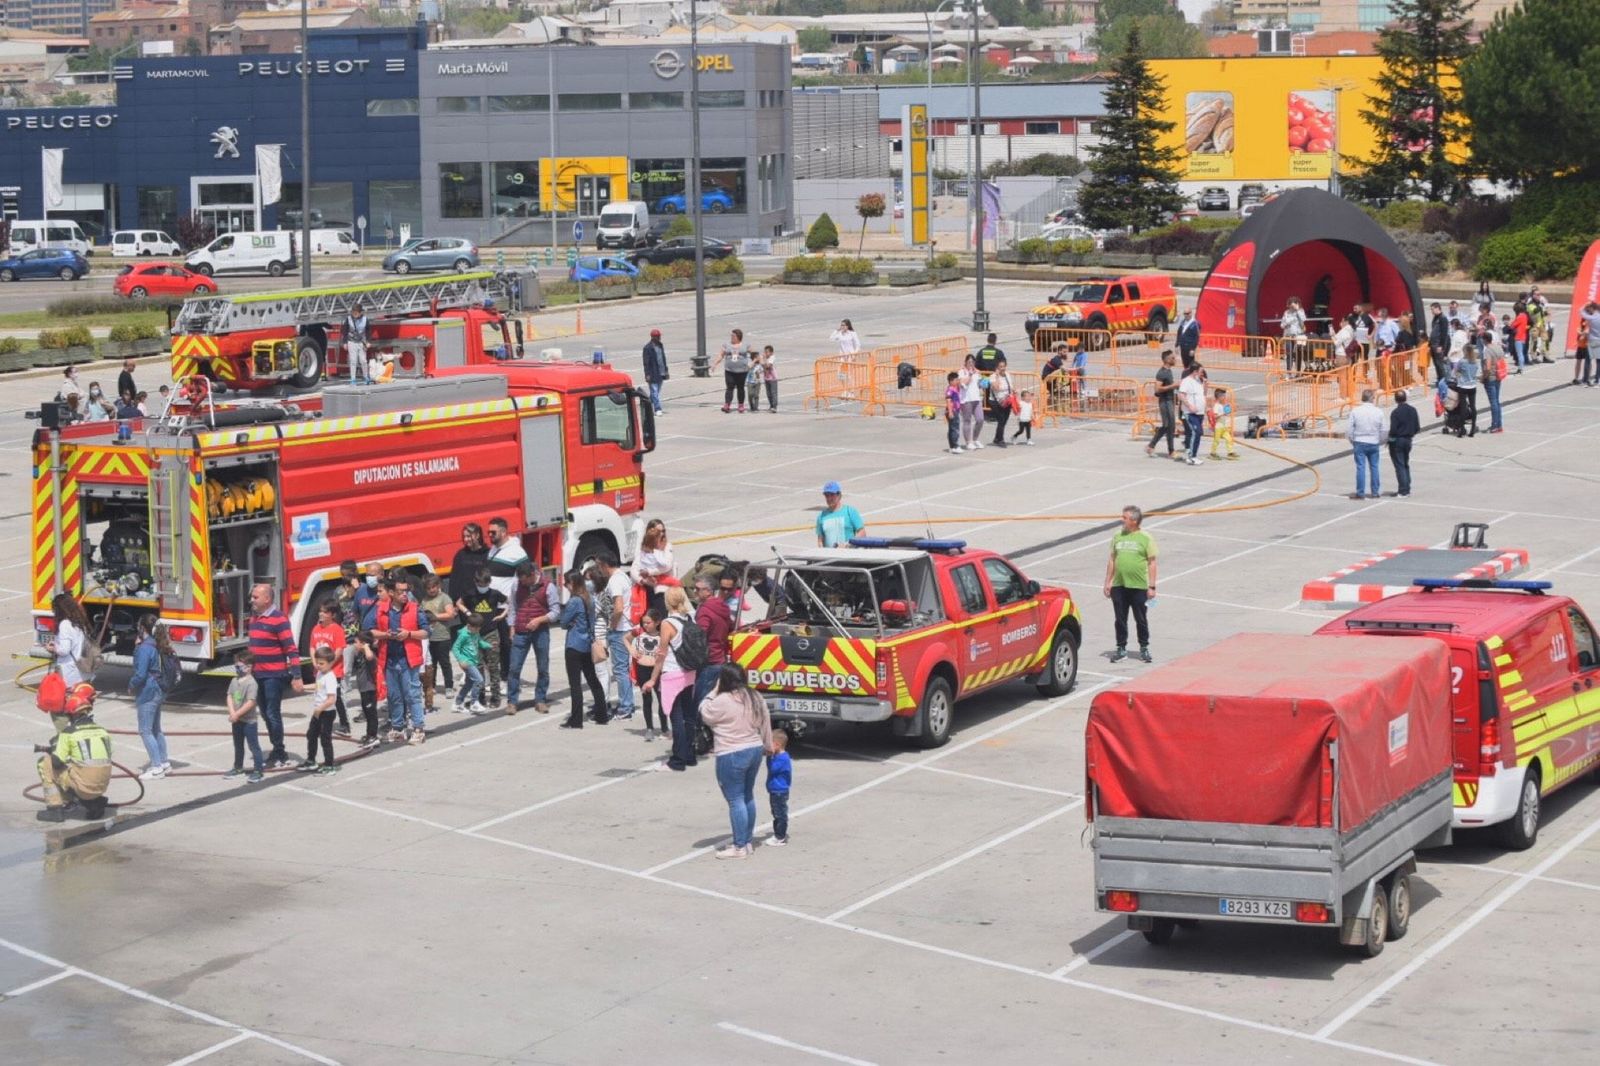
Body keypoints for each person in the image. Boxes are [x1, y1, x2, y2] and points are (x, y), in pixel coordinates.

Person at [700, 664, 775, 859]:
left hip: (731, 752)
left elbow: (704, 712)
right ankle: (747, 841)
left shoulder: (722, 700)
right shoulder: (755, 696)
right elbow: (766, 721)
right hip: (754, 749)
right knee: (747, 795)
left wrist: (714, 691)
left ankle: (740, 846)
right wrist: (768, 744)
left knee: (735, 799)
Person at [33, 686, 112, 823]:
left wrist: (56, 751)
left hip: (83, 787)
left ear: (71, 714)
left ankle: (55, 809)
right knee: (81, 771)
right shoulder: (103, 731)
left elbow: (57, 763)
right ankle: (93, 803)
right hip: (102, 786)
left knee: (45, 763)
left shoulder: (69, 733)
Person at [645, 586, 702, 771]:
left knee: (676, 717)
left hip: (672, 673)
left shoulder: (668, 624)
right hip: (689, 671)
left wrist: (653, 678)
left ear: (667, 602)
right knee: (688, 716)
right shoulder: (689, 618)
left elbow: (661, 654)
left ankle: (677, 759)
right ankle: (690, 755)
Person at [249, 583, 304, 766]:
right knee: (264, 712)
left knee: (272, 713)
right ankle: (276, 747)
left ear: (267, 599)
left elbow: (291, 648)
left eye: (255, 597)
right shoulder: (254, 618)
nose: (252, 600)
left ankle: (279, 751)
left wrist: (297, 675)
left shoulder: (279, 619)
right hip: (258, 675)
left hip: (274, 675)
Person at [374, 575, 429, 745]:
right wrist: (386, 635)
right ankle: (398, 727)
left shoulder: (414, 608)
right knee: (394, 696)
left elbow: (426, 632)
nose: (404, 594)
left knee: (412, 695)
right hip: (389, 659)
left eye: (406, 591)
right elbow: (370, 632)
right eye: (400, 591)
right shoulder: (381, 610)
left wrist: (408, 634)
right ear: (391, 593)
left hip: (408, 660)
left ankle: (418, 728)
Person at [1104, 506, 1157, 664]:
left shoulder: (1146, 538)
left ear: (1134, 521)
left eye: (1125, 517)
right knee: (1120, 619)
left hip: (1139, 586)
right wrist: (1108, 582)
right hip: (1119, 586)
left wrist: (1152, 586)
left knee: (1141, 619)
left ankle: (1144, 648)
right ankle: (1121, 648)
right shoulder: (1117, 536)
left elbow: (1152, 563)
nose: (1122, 519)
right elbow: (1112, 559)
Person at [484, 516, 527, 706]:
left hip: (505, 607)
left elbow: (524, 579)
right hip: (491, 606)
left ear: (503, 531)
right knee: (492, 644)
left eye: (493, 532)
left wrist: (513, 605)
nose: (490, 535)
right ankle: (494, 677)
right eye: (489, 532)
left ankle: (507, 679)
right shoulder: (494, 549)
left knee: (506, 646)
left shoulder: (516, 552)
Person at [558, 569, 609, 728]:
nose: (565, 586)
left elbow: (563, 622)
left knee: (575, 684)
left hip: (574, 645)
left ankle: (576, 719)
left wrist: (571, 622)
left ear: (572, 583)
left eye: (566, 583)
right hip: (587, 644)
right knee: (593, 680)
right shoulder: (589, 598)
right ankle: (602, 714)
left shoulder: (574, 601)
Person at [506, 562, 559, 713]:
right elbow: (513, 608)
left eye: (524, 580)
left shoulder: (548, 587)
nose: (522, 582)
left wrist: (539, 620)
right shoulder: (517, 585)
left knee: (543, 667)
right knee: (514, 668)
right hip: (521, 632)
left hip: (540, 633)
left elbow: (556, 612)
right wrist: (512, 627)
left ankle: (541, 699)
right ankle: (512, 701)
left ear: (532, 575)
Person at [457, 566, 508, 710]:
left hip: (491, 632)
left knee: (493, 666)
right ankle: (479, 697)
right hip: (475, 634)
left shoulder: (495, 594)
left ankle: (495, 696)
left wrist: (503, 615)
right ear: (475, 582)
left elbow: (509, 602)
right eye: (480, 584)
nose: (482, 587)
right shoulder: (470, 593)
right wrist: (467, 613)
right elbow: (459, 603)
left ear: (489, 582)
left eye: (485, 585)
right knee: (477, 666)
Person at [593, 553, 636, 721]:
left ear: (604, 565)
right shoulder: (623, 577)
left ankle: (625, 707)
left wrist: (612, 625)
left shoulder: (615, 581)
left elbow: (618, 608)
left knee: (619, 670)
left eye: (598, 566)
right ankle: (627, 703)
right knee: (623, 669)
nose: (598, 570)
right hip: (625, 627)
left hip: (620, 630)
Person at [129, 614, 172, 780]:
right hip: (159, 690)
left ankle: (156, 767)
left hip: (148, 691)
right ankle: (164, 761)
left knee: (145, 730)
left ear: (142, 629)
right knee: (156, 729)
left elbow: (140, 674)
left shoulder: (145, 648)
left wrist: (131, 686)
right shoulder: (156, 644)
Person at [296, 647, 341, 774]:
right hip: (318, 711)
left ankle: (329, 764)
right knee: (311, 735)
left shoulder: (330, 677)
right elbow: (317, 686)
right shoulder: (320, 674)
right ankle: (311, 760)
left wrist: (319, 709)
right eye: (317, 662)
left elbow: (331, 699)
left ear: (330, 663)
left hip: (326, 712)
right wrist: (303, 687)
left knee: (325, 738)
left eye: (321, 663)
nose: (318, 666)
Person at [692, 575, 734, 708]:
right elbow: (730, 627)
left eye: (698, 589)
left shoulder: (705, 610)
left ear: (709, 591)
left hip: (708, 661)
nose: (695, 591)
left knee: (700, 701)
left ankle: (699, 728)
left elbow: (699, 635)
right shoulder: (722, 606)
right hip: (719, 659)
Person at [223, 651, 265, 783]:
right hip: (237, 720)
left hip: (249, 722)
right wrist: (232, 712)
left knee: (253, 746)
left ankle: (258, 770)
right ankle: (238, 767)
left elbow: (251, 702)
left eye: (239, 666)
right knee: (238, 745)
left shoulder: (251, 683)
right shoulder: (234, 680)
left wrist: (236, 714)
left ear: (249, 667)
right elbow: (229, 695)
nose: (237, 668)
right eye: (236, 666)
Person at [309, 601, 350, 733]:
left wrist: (330, 665)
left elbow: (339, 649)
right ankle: (322, 723)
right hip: (320, 671)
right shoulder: (316, 628)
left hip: (334, 671)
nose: (321, 614)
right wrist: (314, 661)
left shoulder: (337, 629)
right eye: (320, 611)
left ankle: (345, 724)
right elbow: (312, 646)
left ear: (332, 615)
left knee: (336, 698)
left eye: (325, 612)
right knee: (321, 696)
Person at [418, 573, 456, 713]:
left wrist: (434, 617)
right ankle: (431, 686)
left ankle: (449, 687)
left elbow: (451, 614)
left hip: (442, 636)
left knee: (445, 663)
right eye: (429, 588)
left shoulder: (444, 598)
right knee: (431, 665)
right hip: (429, 638)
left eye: (434, 587)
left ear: (439, 586)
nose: (432, 590)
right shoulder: (425, 600)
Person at [1347, 388, 1387, 499]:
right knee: (1374, 467)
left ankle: (1360, 492)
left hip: (1359, 441)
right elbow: (1384, 429)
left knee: (1360, 467)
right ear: (1372, 399)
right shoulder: (1378, 411)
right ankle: (1375, 492)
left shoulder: (1355, 411)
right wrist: (1380, 441)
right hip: (1373, 441)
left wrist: (1352, 440)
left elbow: (1349, 429)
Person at [631, 518, 676, 614]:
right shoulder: (643, 548)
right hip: (646, 588)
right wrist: (643, 581)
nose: (662, 534)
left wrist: (649, 571)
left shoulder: (667, 546)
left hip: (661, 590)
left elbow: (667, 566)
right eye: (658, 531)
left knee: (660, 618)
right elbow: (634, 569)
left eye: (663, 531)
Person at [632, 609, 665, 739]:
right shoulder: (639, 632)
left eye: (648, 622)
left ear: (657, 622)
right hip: (642, 669)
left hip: (657, 671)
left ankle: (664, 728)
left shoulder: (663, 635)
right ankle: (649, 728)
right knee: (647, 699)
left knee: (662, 699)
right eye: (643, 622)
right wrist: (632, 651)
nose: (645, 625)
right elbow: (625, 638)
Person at [47, 592, 91, 687]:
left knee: (68, 698)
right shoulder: (79, 622)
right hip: (83, 669)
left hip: (70, 672)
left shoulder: (65, 625)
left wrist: (53, 648)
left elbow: (64, 650)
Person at [447, 523, 489, 615]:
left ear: (477, 535)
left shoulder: (487, 554)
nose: (465, 539)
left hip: (483, 602)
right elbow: (454, 580)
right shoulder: (460, 555)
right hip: (464, 604)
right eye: (464, 536)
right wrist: (454, 601)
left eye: (469, 536)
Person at [451, 613, 489, 715]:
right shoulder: (464, 635)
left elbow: (479, 642)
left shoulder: (475, 632)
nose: (477, 631)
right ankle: (474, 703)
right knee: (479, 680)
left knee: (469, 683)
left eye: (478, 629)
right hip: (467, 662)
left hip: (473, 661)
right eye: (475, 629)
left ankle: (458, 703)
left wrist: (488, 645)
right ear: (468, 626)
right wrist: (461, 660)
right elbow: (455, 648)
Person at [1145, 350, 1178, 459]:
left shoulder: (1169, 371)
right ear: (1167, 360)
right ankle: (1167, 450)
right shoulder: (1162, 373)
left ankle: (1155, 446)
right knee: (1167, 425)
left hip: (1170, 400)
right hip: (1165, 401)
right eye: (1173, 358)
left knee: (1170, 426)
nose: (1175, 360)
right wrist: (1172, 386)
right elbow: (1157, 389)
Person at [350, 630, 380, 748]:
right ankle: (369, 734)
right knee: (367, 713)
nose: (354, 644)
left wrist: (367, 646)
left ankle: (373, 736)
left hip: (370, 689)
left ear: (363, 644)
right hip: (363, 689)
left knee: (371, 713)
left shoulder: (370, 655)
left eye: (356, 642)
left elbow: (369, 656)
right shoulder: (360, 654)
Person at [713, 328, 753, 413]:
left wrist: (752, 363)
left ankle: (741, 405)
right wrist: (715, 364)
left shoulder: (745, 345)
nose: (731, 337)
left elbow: (755, 354)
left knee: (740, 388)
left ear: (738, 337)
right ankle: (727, 405)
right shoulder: (726, 345)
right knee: (729, 388)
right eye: (731, 335)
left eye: (733, 336)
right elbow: (721, 355)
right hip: (729, 370)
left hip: (742, 371)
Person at [815, 481, 865, 547]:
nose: (829, 498)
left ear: (839, 495)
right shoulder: (821, 516)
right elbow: (820, 540)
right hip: (829, 556)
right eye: (827, 495)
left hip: (848, 554)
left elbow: (862, 533)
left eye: (832, 495)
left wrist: (848, 544)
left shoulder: (850, 512)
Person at [1389, 390, 1418, 498]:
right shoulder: (1413, 410)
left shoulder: (1395, 413)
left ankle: (1403, 490)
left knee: (1400, 465)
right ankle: (1407, 488)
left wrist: (1390, 439)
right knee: (1405, 464)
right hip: (1408, 439)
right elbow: (1417, 427)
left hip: (1398, 440)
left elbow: (1393, 430)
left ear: (1396, 400)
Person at [765, 728, 792, 847]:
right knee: (775, 812)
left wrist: (768, 757)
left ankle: (780, 836)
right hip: (774, 790)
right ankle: (778, 834)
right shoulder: (778, 756)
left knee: (780, 814)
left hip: (779, 791)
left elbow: (772, 769)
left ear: (777, 744)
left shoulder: (782, 758)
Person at [1177, 364, 1206, 466]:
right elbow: (1181, 395)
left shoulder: (1198, 381)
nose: (1202, 373)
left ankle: (1192, 455)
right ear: (1195, 371)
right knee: (1195, 432)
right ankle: (1192, 456)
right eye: (1200, 371)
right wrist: (1190, 406)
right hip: (1190, 413)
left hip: (1200, 412)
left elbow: (1202, 394)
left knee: (1198, 433)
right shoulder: (1186, 381)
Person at [1449, 348, 1481, 438]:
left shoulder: (1462, 361)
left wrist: (1458, 375)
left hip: (1463, 386)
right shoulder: (1475, 362)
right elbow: (1476, 373)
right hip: (1472, 386)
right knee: (1473, 406)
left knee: (1463, 407)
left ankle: (1461, 428)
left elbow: (1455, 372)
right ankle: (1473, 427)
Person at [957, 354, 984, 450]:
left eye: (972, 362)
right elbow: (963, 383)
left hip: (976, 398)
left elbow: (979, 385)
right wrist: (970, 374)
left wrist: (983, 382)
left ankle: (975, 439)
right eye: (969, 362)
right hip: (966, 399)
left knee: (980, 419)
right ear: (965, 362)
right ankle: (968, 442)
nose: (971, 364)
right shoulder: (961, 372)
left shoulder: (977, 372)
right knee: (967, 420)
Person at [1481, 340, 1507, 434]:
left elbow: (1487, 367)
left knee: (1493, 402)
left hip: (1491, 377)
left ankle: (1495, 425)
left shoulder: (1487, 350)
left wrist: (1483, 377)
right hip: (1498, 376)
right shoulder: (1498, 348)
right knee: (1497, 401)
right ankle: (1499, 425)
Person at [642, 328, 668, 415]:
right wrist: (647, 374)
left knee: (655, 392)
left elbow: (663, 359)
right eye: (658, 336)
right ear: (653, 337)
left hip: (661, 372)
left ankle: (647, 406)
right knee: (654, 391)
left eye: (659, 336)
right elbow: (646, 363)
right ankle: (657, 409)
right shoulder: (647, 348)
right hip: (652, 373)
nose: (659, 337)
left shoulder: (660, 345)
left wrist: (666, 370)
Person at [1207, 388, 1237, 461]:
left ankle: (1230, 452)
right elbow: (1215, 416)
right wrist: (1223, 413)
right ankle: (1212, 453)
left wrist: (1226, 413)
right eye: (1223, 396)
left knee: (1229, 439)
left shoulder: (1221, 405)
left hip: (1223, 426)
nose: (1225, 397)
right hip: (1218, 427)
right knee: (1216, 440)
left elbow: (1222, 415)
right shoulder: (1217, 406)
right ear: (1219, 397)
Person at [344, 302, 371, 383]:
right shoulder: (348, 319)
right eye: (353, 312)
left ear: (360, 313)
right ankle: (353, 379)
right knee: (353, 361)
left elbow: (368, 331)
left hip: (361, 342)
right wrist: (345, 342)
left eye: (356, 313)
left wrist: (368, 341)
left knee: (363, 360)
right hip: (351, 341)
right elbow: (344, 331)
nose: (354, 314)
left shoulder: (365, 319)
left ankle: (366, 377)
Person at [989, 361, 1014, 446]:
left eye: (1004, 366)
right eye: (1000, 367)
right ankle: (1000, 440)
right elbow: (996, 388)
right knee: (1001, 420)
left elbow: (1010, 387)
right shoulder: (992, 377)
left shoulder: (1007, 374)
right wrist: (997, 376)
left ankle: (997, 438)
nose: (1002, 368)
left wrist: (1014, 393)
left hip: (1007, 401)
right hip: (996, 402)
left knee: (1004, 420)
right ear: (997, 368)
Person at [1279, 299, 1307, 372]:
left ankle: (1298, 371)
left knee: (1298, 354)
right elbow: (1282, 325)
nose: (1291, 307)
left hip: (1298, 336)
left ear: (1297, 304)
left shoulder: (1300, 311)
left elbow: (1304, 319)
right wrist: (1287, 323)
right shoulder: (1286, 312)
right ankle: (1289, 372)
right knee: (1289, 355)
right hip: (1289, 336)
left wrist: (1297, 310)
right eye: (1290, 305)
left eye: (1293, 305)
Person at [1427, 301, 1451, 382]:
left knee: (1440, 364)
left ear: (1438, 308)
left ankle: (1443, 380)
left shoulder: (1443, 318)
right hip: (1433, 344)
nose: (1432, 311)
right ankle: (1439, 378)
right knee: (1436, 364)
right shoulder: (1435, 318)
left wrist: (1441, 346)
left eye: (1433, 309)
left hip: (1438, 345)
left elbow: (1444, 334)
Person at [760, 344, 779, 412]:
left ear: (771, 353)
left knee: (773, 392)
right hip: (766, 378)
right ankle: (771, 405)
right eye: (765, 352)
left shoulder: (772, 358)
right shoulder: (765, 358)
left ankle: (774, 406)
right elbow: (762, 365)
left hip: (773, 378)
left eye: (767, 352)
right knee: (768, 393)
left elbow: (768, 366)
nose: (765, 353)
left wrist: (764, 359)